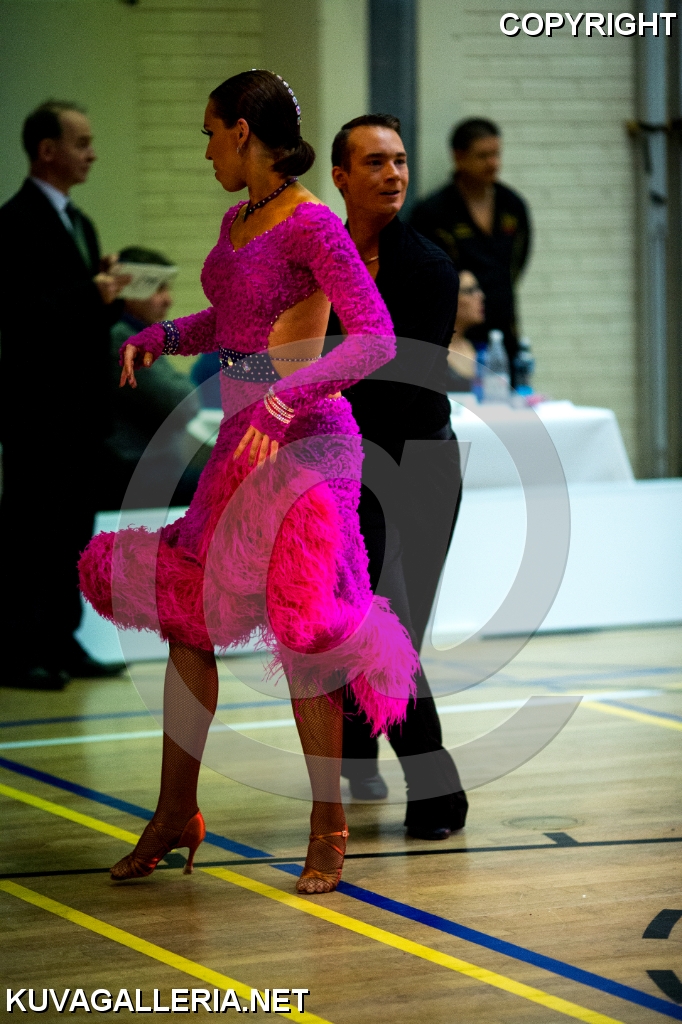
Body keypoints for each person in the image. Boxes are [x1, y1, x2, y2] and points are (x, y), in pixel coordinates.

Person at [78, 71, 419, 894]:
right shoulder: (237, 220)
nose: (205, 152)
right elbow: (232, 328)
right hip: (245, 439)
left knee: (304, 632)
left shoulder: (313, 224)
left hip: (308, 443)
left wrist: (285, 395)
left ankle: (329, 824)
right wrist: (164, 334)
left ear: (241, 132)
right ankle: (175, 812)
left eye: (209, 134)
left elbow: (373, 339)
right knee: (187, 618)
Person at [328, 114, 468, 840]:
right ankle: (366, 757)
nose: (393, 174)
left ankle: (426, 782)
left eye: (401, 160)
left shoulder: (429, 267)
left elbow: (405, 385)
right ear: (340, 177)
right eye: (375, 162)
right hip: (345, 460)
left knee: (391, 626)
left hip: (416, 463)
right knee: (363, 617)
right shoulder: (320, 257)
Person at [0, 100, 130, 690]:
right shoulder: (14, 222)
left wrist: (110, 295)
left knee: (74, 530)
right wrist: (88, 293)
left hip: (80, 409)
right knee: (32, 531)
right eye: (81, 143)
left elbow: (83, 318)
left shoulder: (80, 223)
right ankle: (18, 647)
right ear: (47, 150)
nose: (92, 154)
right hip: (38, 409)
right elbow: (20, 314)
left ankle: (61, 636)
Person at [410, 118, 531, 381]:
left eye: (496, 154)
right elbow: (422, 280)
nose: (493, 163)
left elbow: (517, 263)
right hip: (454, 333)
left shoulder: (512, 206)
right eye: (483, 156)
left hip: (503, 327)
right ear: (459, 157)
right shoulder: (433, 213)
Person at [101, 246, 203, 510]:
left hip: (151, 467)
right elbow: (181, 402)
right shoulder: (122, 338)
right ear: (129, 289)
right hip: (137, 473)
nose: (168, 299)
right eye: (158, 288)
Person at [446, 269, 485, 390]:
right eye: (470, 291)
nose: (481, 296)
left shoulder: (480, 348)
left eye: (478, 289)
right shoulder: (431, 354)